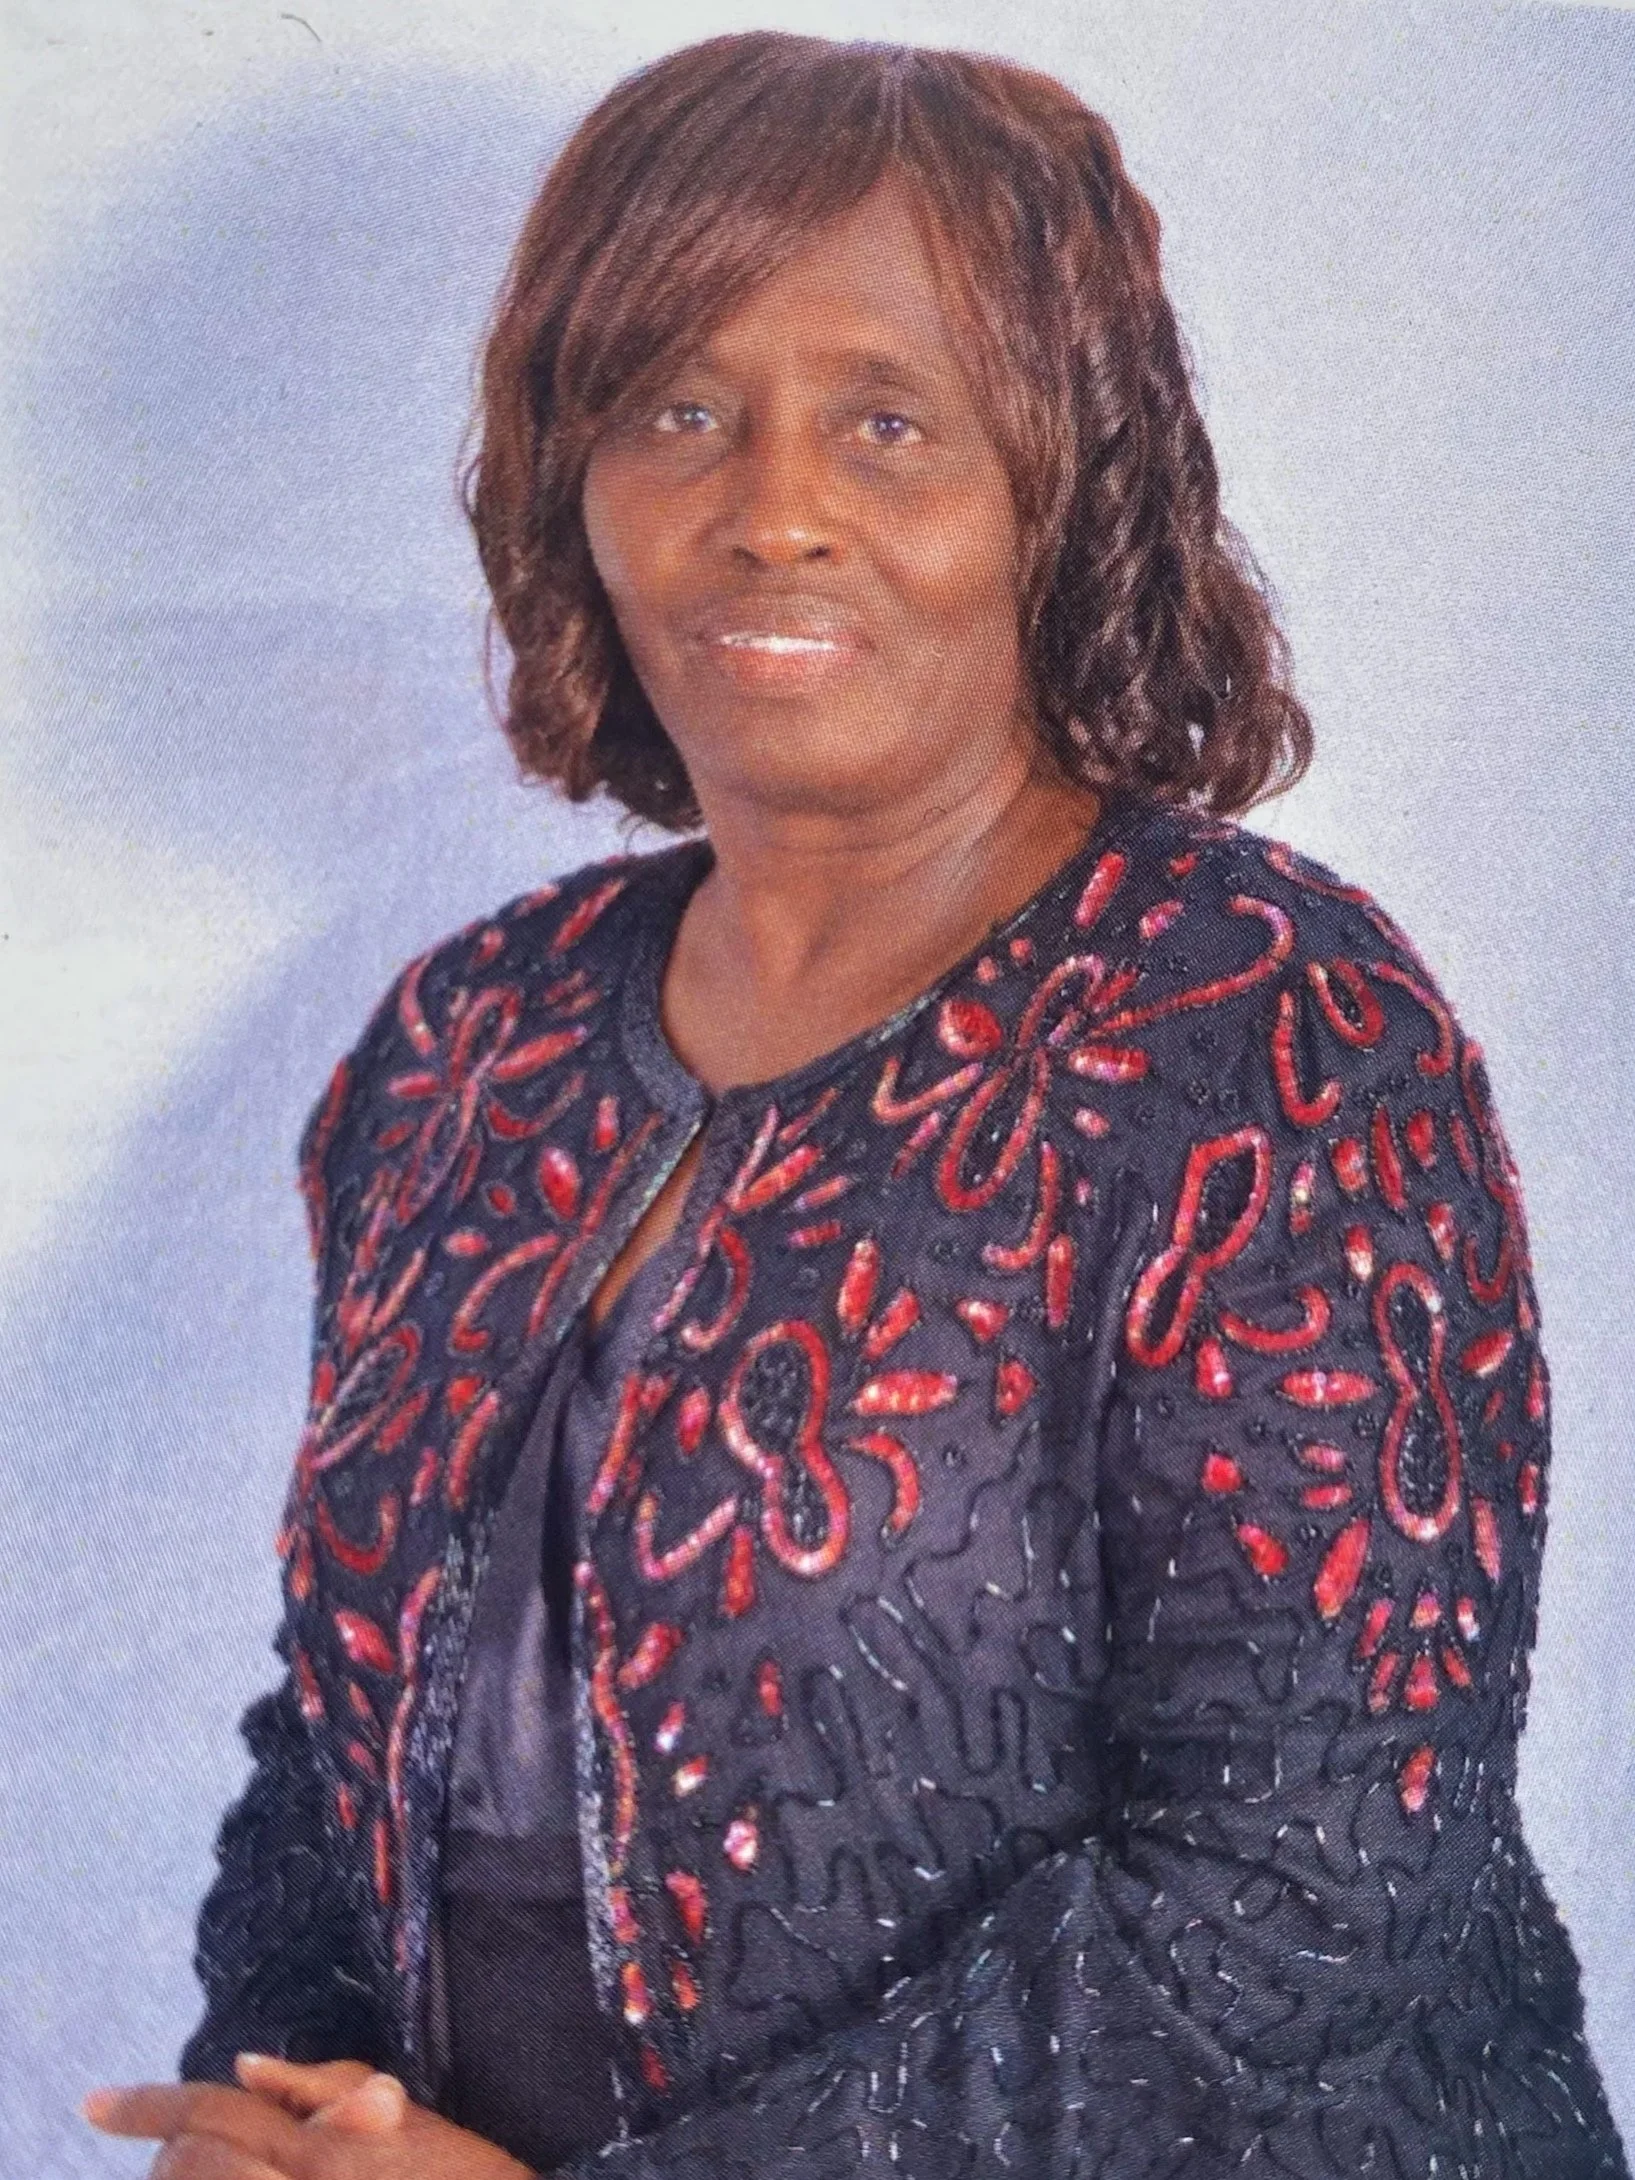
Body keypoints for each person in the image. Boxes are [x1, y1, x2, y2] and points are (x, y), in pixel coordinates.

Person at [81, 29, 1629, 2180]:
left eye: (884, 420)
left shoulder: (1267, 1037)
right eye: (677, 409)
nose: (771, 505)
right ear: (572, 483)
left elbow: (1299, 1896)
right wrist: (287, 2104)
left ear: (1050, 478)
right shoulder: (469, 1049)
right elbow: (342, 1720)